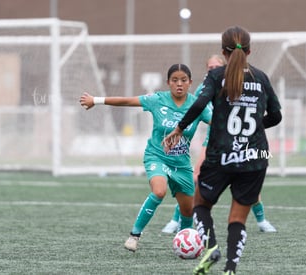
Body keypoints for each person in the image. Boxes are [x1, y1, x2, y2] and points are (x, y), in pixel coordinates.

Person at [163, 26, 282, 275]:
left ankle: (211, 248)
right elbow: (276, 115)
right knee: (237, 219)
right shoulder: (261, 77)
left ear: (223, 51)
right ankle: (230, 269)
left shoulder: (217, 75)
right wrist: (255, 128)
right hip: (254, 157)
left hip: (221, 155)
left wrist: (179, 128)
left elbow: (200, 102)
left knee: (201, 204)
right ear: (249, 51)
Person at [79, 64, 212, 253]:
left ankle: (184, 243)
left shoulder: (198, 106)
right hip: (157, 156)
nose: (179, 84)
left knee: (188, 210)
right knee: (159, 191)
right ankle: (134, 235)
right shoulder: (158, 99)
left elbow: (218, 122)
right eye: (175, 80)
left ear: (190, 82)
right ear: (168, 83)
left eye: (184, 80)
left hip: (182, 164)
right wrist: (96, 100)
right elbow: (127, 101)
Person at [161, 55, 277, 234]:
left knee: (247, 180)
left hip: (238, 139)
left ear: (224, 67)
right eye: (210, 67)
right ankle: (177, 219)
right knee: (196, 178)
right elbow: (196, 109)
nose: (213, 69)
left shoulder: (235, 82)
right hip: (213, 139)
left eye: (216, 66)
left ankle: (262, 220)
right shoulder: (203, 87)